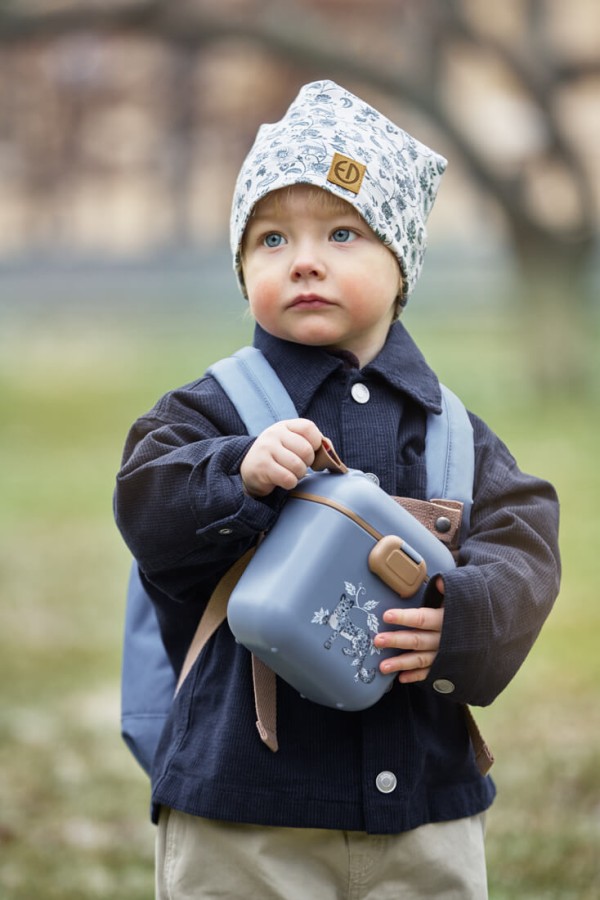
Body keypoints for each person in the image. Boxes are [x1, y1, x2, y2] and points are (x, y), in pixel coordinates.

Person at [114, 80, 560, 899]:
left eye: (343, 233)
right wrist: (237, 472)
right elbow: (145, 506)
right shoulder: (211, 410)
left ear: (402, 264)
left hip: (425, 816)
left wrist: (463, 621)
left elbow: (525, 546)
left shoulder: (451, 432)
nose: (304, 260)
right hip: (244, 817)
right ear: (242, 268)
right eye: (272, 238)